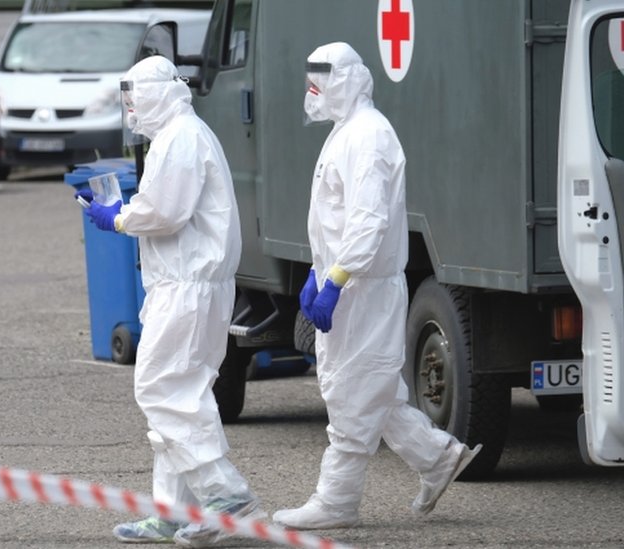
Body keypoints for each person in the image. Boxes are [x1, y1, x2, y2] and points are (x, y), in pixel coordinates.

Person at [272, 42, 482, 530]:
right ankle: (438, 458)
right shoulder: (346, 132)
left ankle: (337, 501)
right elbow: (333, 218)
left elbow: (367, 222)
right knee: (374, 389)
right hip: (348, 282)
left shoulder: (368, 136)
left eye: (321, 79)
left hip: (363, 288)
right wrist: (315, 273)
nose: (313, 90)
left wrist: (336, 280)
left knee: (350, 392)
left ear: (344, 80)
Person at [74, 55, 263, 546]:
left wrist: (118, 217)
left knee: (162, 389)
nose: (131, 107)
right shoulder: (178, 134)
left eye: (134, 96)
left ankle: (226, 493)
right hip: (186, 283)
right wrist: (125, 213)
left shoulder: (181, 137)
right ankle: (174, 511)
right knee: (180, 395)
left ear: (158, 93)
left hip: (189, 285)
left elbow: (165, 213)